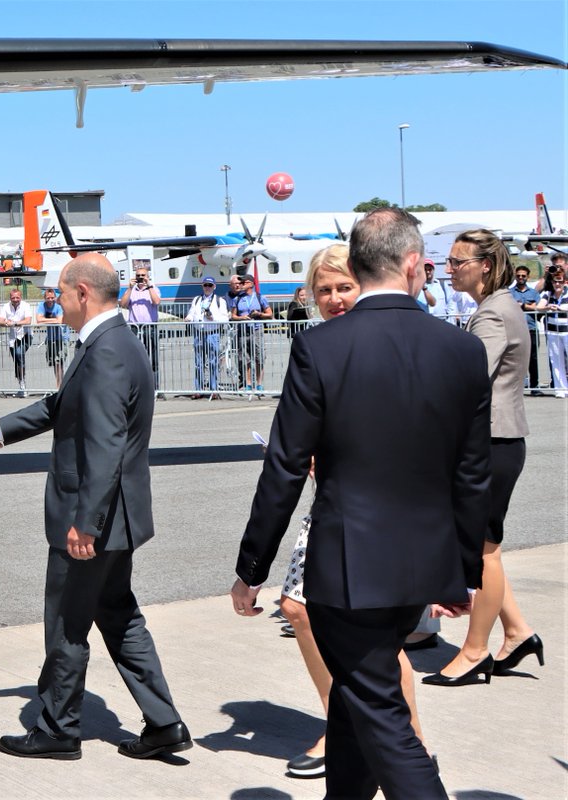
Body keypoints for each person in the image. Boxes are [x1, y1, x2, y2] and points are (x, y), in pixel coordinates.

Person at [230, 208, 491, 800]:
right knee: (353, 701)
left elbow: (286, 466)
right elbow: (472, 474)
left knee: (383, 718)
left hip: (348, 570)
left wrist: (252, 568)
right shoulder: (460, 348)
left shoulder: (320, 348)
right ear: (408, 264)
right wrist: (463, 571)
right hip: (421, 566)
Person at [0, 254, 190, 762]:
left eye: (60, 294)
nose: (57, 303)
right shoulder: (113, 343)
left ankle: (57, 727)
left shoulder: (106, 351)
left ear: (83, 293)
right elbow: (60, 407)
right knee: (119, 615)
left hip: (94, 519)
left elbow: (106, 443)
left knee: (67, 621)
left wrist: (85, 522)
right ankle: (164, 721)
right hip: (119, 517)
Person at [270, 244, 431, 780]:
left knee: (369, 636)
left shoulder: (381, 341)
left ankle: (400, 739)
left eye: (344, 287)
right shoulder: (321, 345)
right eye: (324, 290)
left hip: (374, 515)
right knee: (304, 612)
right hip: (336, 505)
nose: (335, 299)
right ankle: (352, 727)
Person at [426, 229, 542, 685]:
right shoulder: (498, 308)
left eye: (458, 262)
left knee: (484, 552)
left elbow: (468, 380)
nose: (450, 268)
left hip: (492, 445)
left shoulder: (491, 315)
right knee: (486, 546)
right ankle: (517, 632)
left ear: (485, 266)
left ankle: (474, 653)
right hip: (500, 442)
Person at [185, 276, 229, 398]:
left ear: (214, 287)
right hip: (199, 334)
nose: (207, 288)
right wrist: (188, 318)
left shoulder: (220, 300)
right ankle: (198, 389)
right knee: (198, 363)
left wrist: (213, 318)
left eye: (210, 285)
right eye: (205, 285)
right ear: (202, 286)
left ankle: (213, 389)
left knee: (213, 362)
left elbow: (225, 318)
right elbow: (192, 312)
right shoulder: (197, 299)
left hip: (212, 333)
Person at [229, 273, 273, 392]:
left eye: (244, 282)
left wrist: (259, 314)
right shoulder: (237, 299)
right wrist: (242, 318)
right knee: (245, 358)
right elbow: (233, 316)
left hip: (256, 330)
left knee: (259, 358)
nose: (241, 284)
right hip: (242, 331)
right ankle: (248, 384)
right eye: (240, 283)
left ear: (252, 284)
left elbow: (270, 314)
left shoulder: (260, 297)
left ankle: (259, 384)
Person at [119, 265, 161, 388]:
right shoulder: (132, 291)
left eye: (143, 276)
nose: (140, 278)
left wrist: (149, 286)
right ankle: (136, 386)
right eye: (138, 276)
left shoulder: (153, 289)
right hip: (135, 328)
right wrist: (129, 288)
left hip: (150, 327)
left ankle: (155, 386)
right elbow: (123, 304)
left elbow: (157, 301)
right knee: (135, 357)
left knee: (152, 357)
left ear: (148, 277)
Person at [509, 264, 542, 393]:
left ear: (528, 277)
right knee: (515, 359)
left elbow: (538, 308)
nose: (521, 278)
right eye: (518, 276)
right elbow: (510, 307)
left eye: (523, 275)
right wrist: (529, 305)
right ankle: (517, 387)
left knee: (533, 358)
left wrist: (522, 305)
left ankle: (534, 386)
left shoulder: (534, 293)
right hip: (515, 329)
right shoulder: (509, 293)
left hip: (531, 328)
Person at [536, 269, 568, 397]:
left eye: (559, 281)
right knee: (556, 360)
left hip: (566, 331)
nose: (557, 284)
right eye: (555, 281)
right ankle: (561, 389)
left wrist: (560, 308)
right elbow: (539, 307)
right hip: (553, 332)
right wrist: (547, 307)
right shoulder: (548, 294)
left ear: (564, 281)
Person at [0, 286, 33, 395]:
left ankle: (23, 385)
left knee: (19, 354)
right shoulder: (5, 307)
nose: (15, 300)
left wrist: (15, 323)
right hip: (13, 338)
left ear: (20, 297)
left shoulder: (26, 306)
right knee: (16, 361)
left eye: (17, 297)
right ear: (10, 298)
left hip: (25, 335)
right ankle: (21, 383)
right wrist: (6, 322)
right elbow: (0, 321)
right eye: (13, 298)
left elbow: (28, 320)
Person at [36, 287, 67, 388]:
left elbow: (59, 321)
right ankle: (59, 384)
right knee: (54, 362)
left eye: (52, 298)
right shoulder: (41, 306)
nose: (50, 300)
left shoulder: (58, 306)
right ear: (44, 298)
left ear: (55, 297)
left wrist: (45, 320)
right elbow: (38, 320)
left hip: (60, 337)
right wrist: (53, 320)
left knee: (59, 362)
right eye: (48, 298)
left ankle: (60, 385)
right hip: (50, 338)